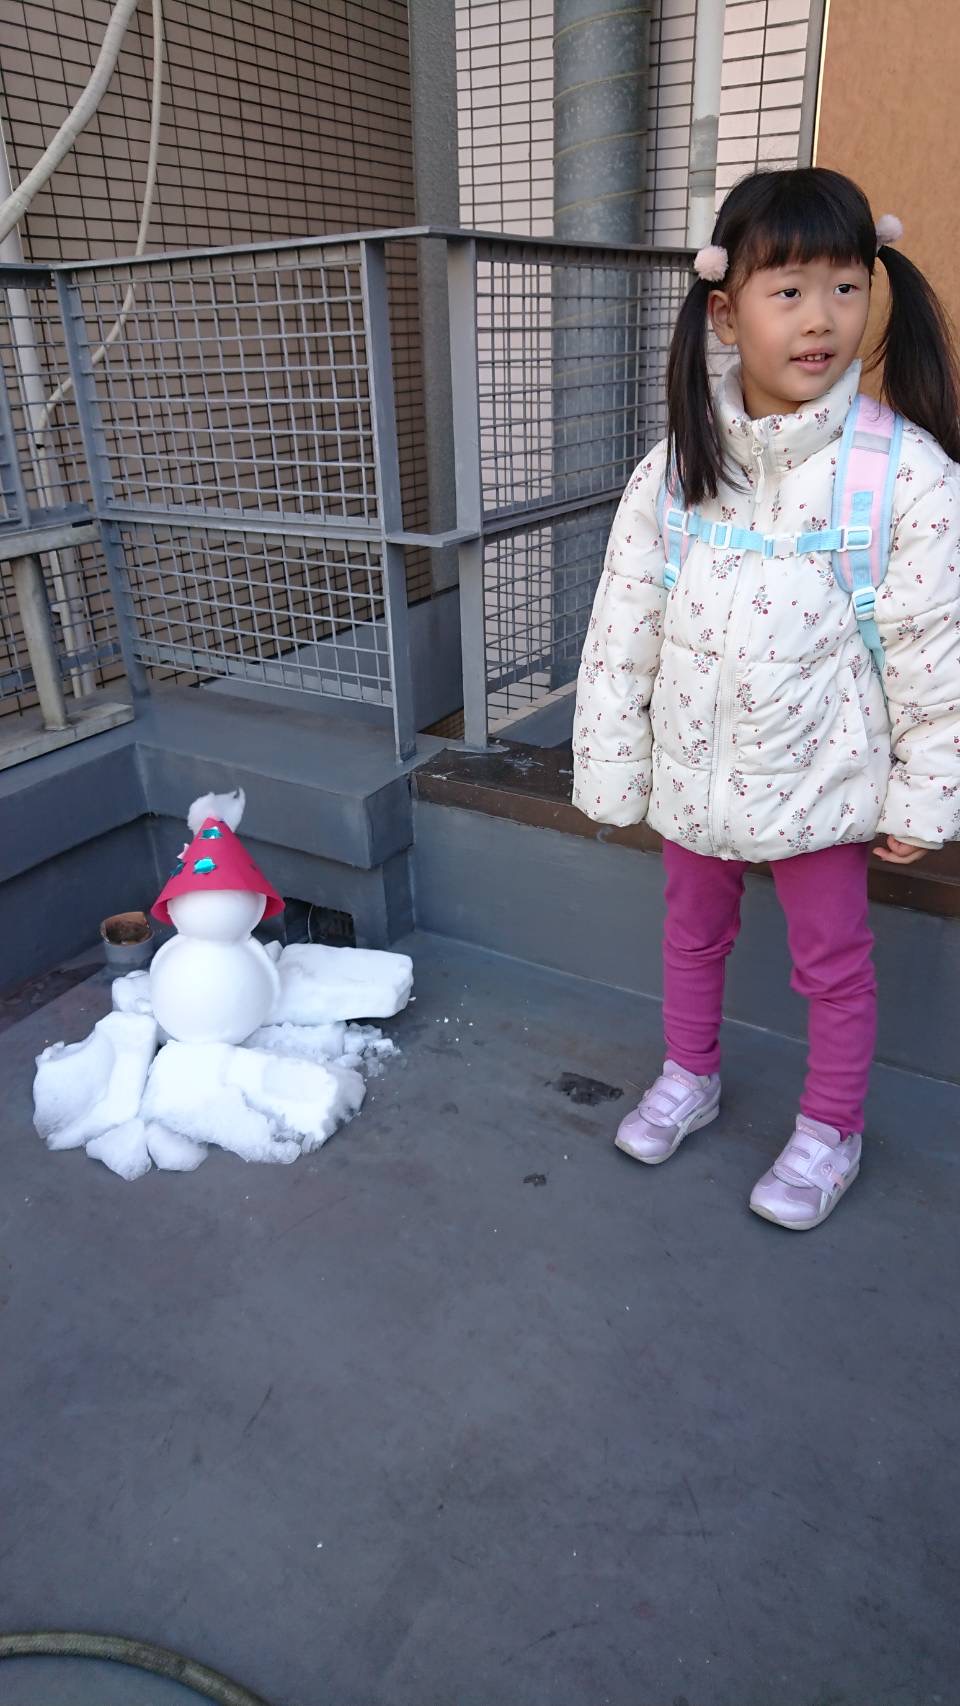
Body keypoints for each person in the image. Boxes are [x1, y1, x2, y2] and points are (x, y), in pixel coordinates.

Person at [572, 167, 960, 1230]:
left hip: (824, 780)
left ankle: (831, 1126)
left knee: (831, 961)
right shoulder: (677, 467)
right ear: (724, 311)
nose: (820, 318)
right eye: (787, 291)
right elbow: (623, 632)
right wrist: (615, 765)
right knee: (690, 930)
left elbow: (937, 652)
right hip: (696, 772)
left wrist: (924, 795)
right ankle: (688, 1072)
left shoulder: (906, 476)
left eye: (845, 287)